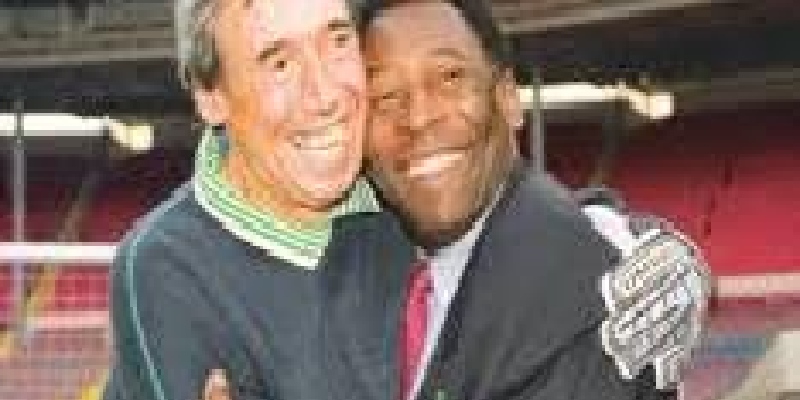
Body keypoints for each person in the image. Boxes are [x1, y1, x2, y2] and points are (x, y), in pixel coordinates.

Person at [319, 0, 707, 399]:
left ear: (507, 99)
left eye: (449, 78)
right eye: (385, 97)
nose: (418, 118)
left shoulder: (589, 283)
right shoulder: (357, 274)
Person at [101, 0, 416, 399]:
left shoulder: (418, 204)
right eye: (279, 64)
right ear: (212, 98)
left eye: (338, 42)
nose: (324, 96)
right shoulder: (168, 263)